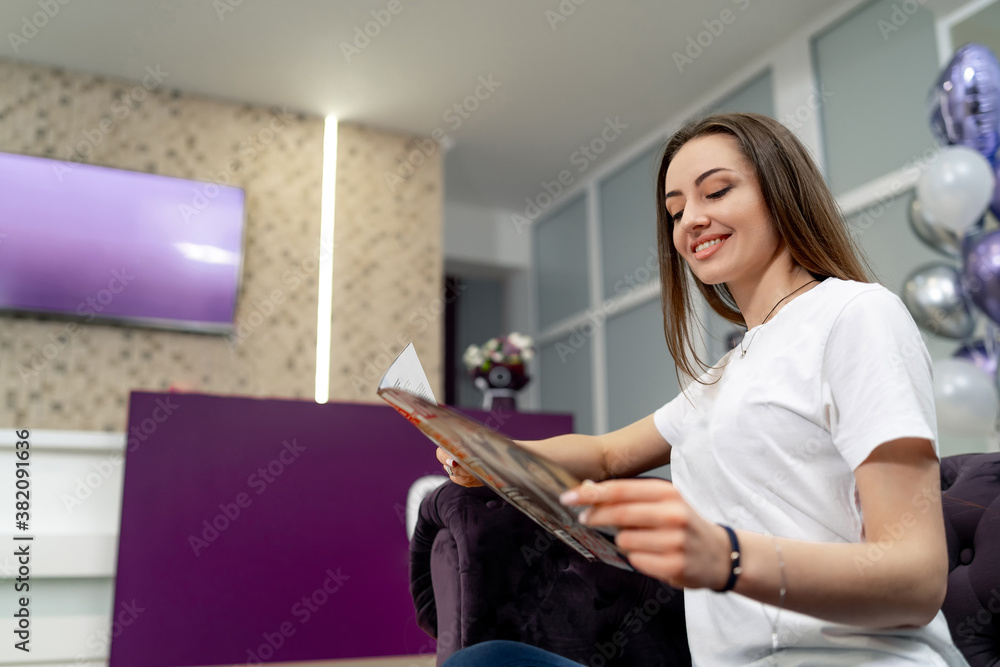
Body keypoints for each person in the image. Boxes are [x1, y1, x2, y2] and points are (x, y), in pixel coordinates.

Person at [436, 112, 970, 666]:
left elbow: (916, 579)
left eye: (716, 191)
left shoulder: (856, 314)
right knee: (488, 661)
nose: (691, 219)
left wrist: (727, 557)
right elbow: (606, 453)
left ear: (781, 192)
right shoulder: (725, 373)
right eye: (675, 210)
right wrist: (491, 455)